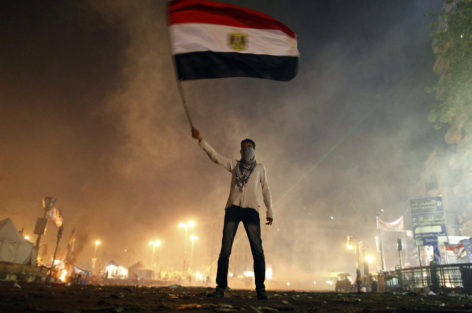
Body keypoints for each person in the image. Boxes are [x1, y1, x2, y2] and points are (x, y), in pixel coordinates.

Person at [191, 127, 273, 300]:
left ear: (254, 150)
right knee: (225, 249)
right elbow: (215, 157)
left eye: (249, 146)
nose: (246, 149)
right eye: (243, 147)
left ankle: (260, 288)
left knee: (257, 251)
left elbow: (266, 190)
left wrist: (269, 210)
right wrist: (201, 140)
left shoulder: (260, 168)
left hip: (251, 210)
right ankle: (221, 287)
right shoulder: (235, 166)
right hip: (233, 209)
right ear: (240, 151)